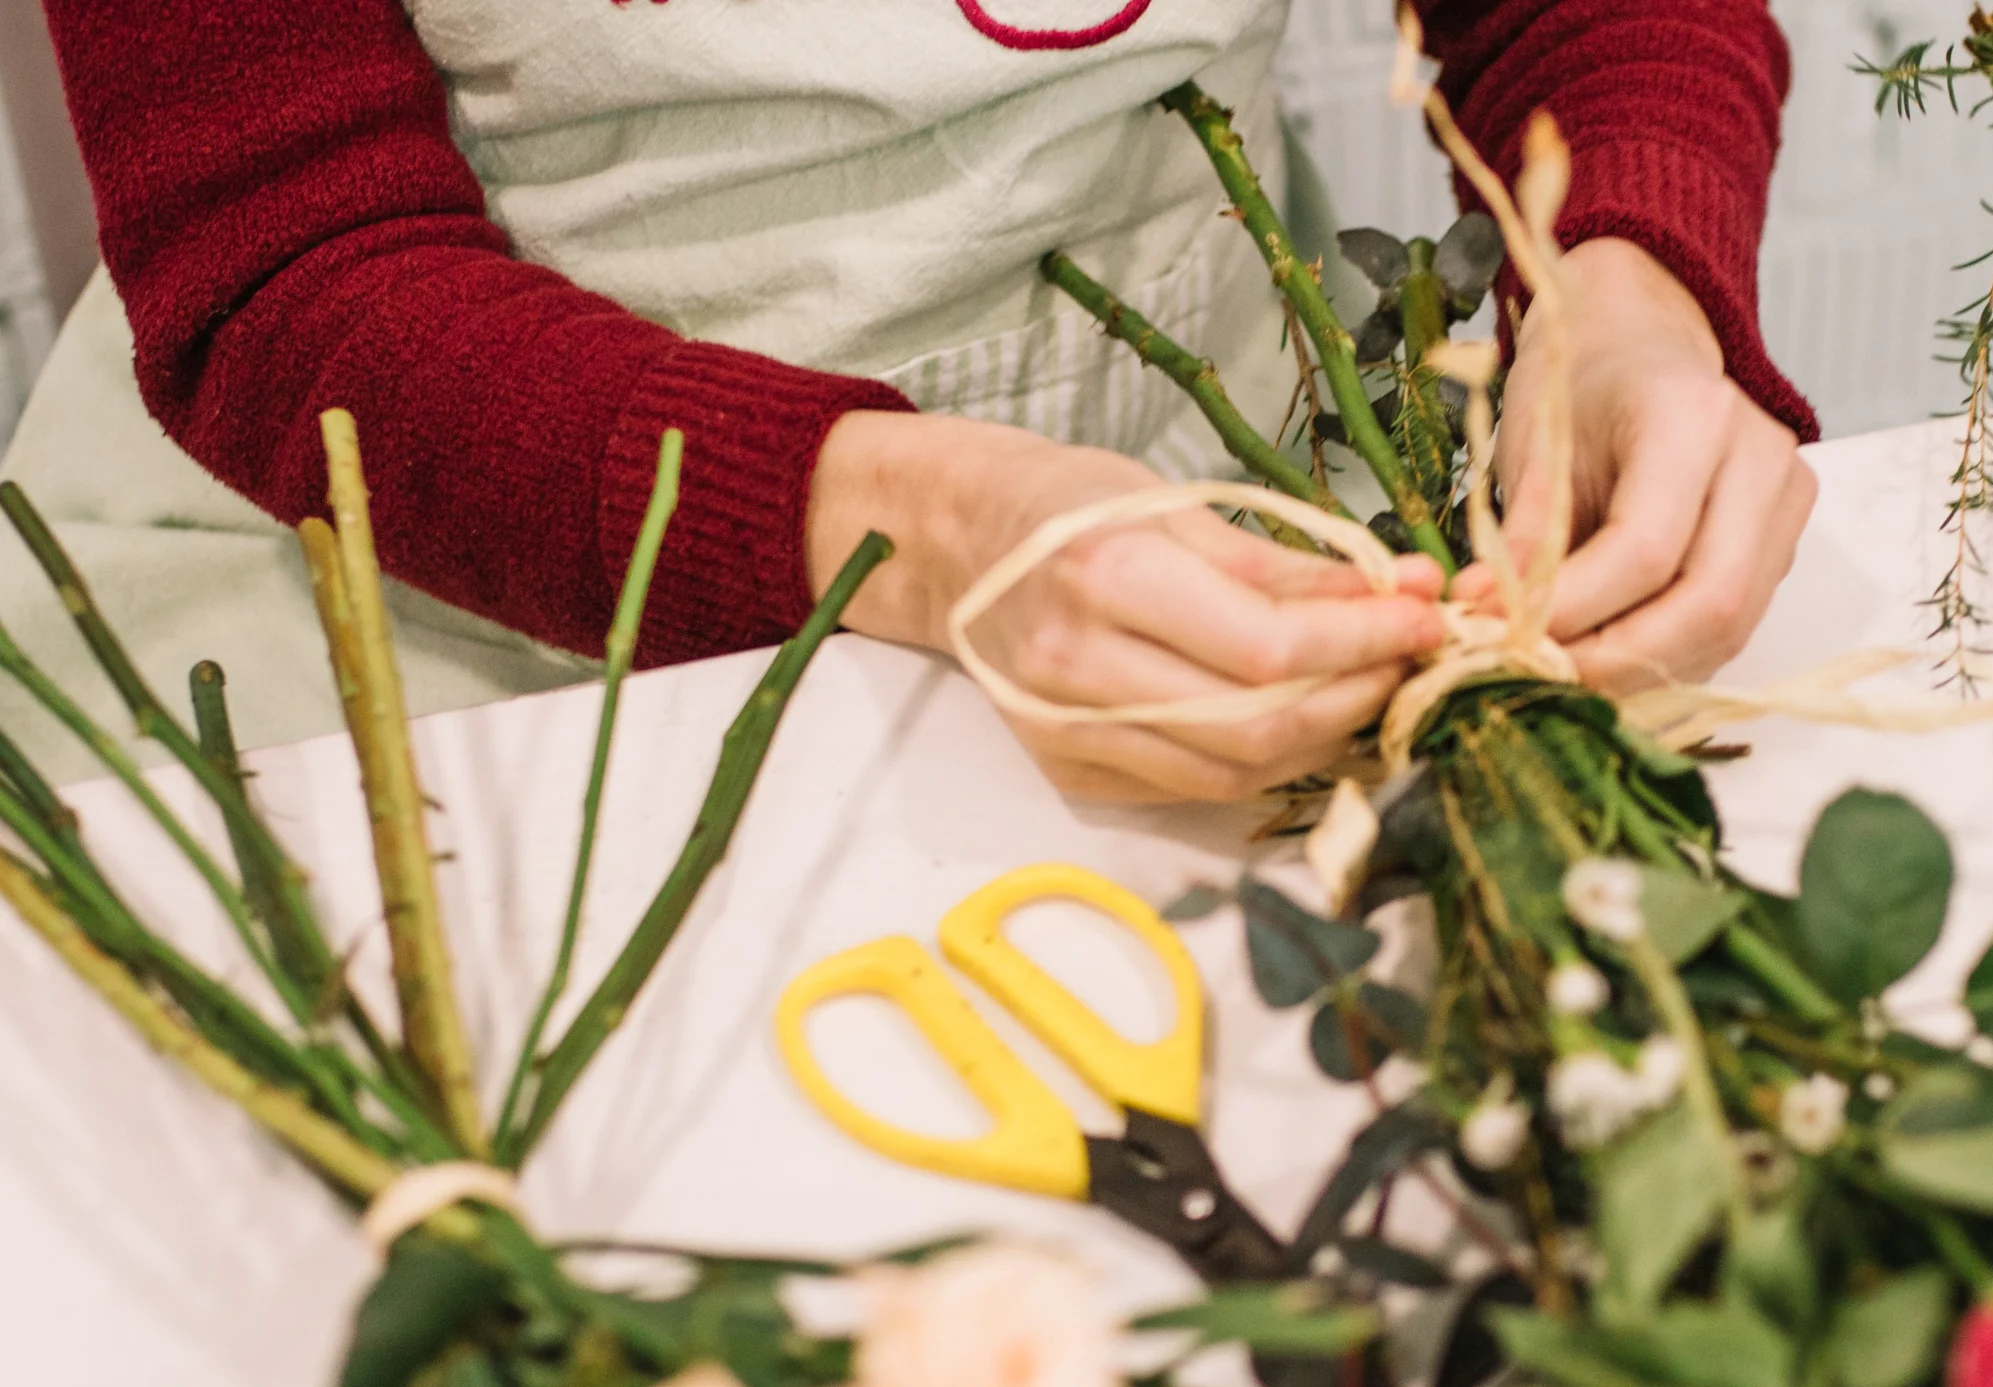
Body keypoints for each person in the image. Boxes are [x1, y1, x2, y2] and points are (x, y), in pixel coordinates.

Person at [11, 0, 1816, 800]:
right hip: (438, 620)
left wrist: (1625, 290)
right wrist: (918, 525)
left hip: (1210, 535)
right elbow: (287, 265)